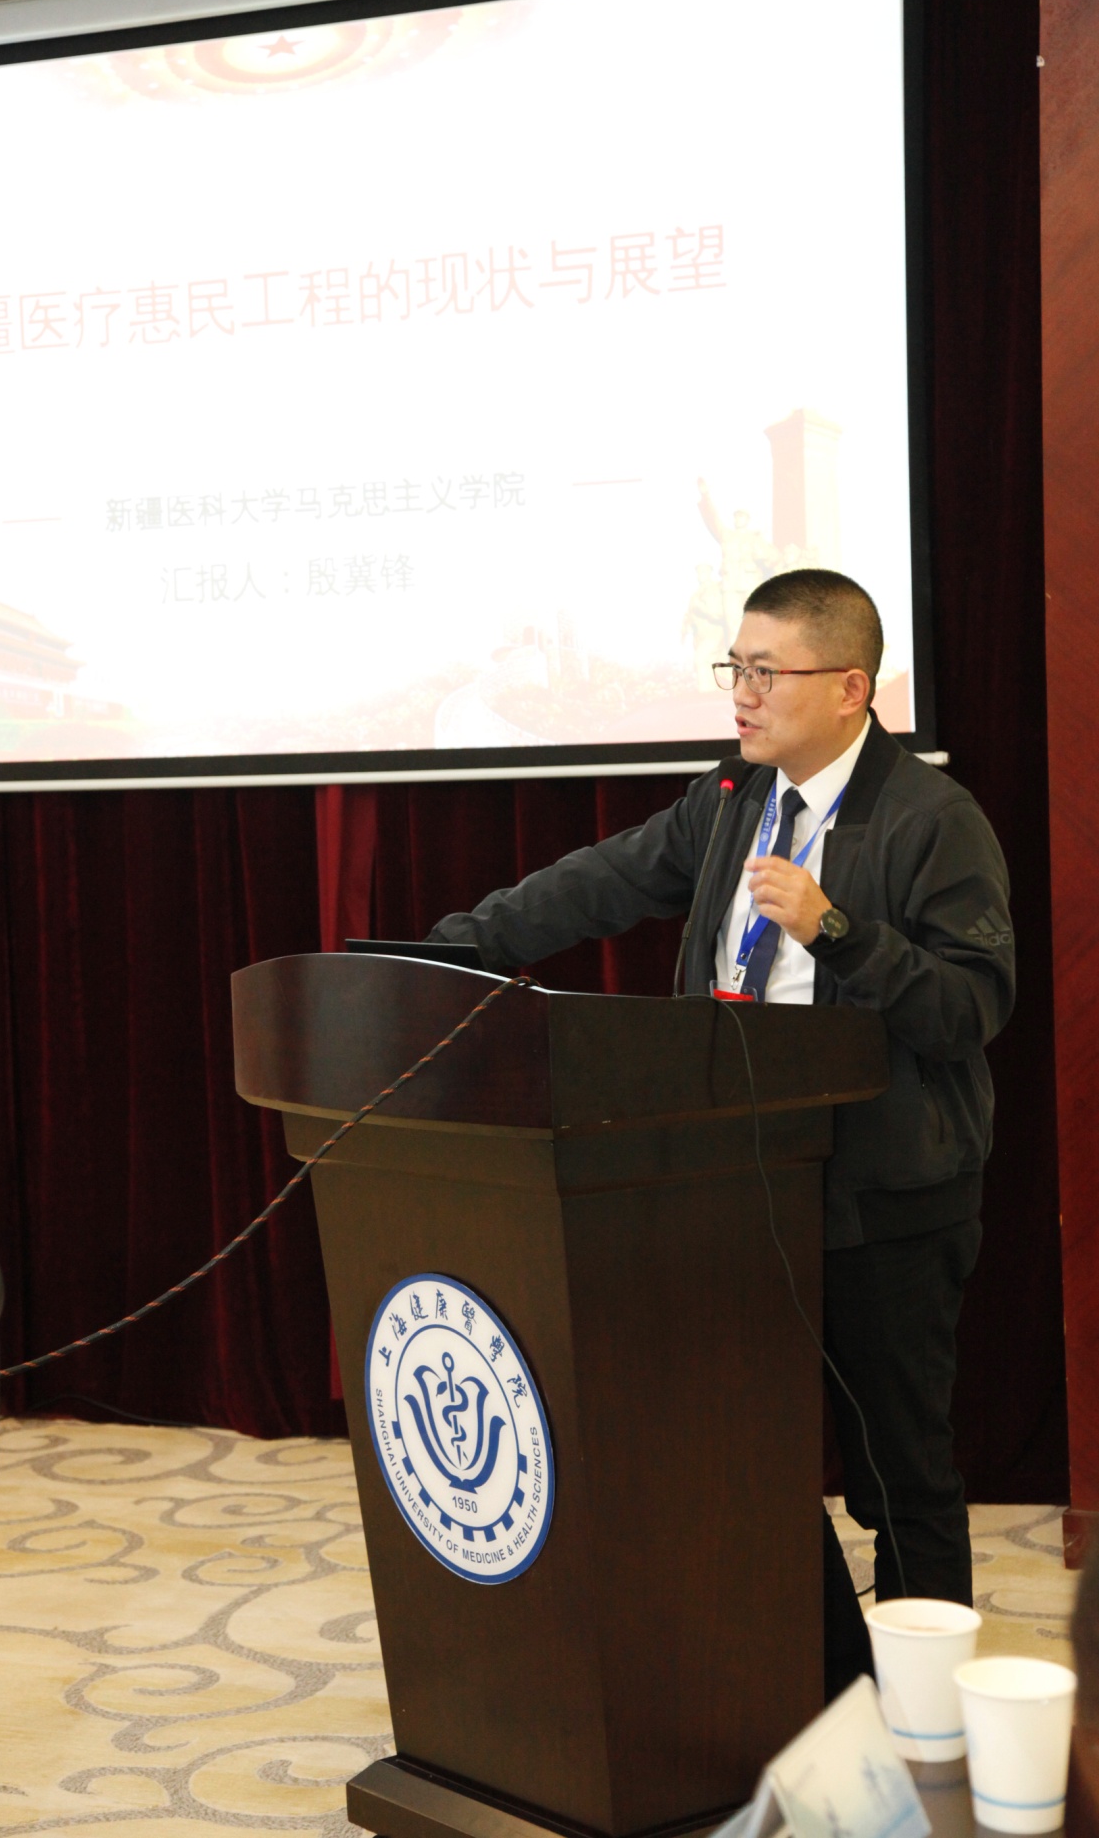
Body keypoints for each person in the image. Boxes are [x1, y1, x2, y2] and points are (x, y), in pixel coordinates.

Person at [427, 568, 1014, 1699]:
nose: (740, 694)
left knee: (899, 1478)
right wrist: (449, 949)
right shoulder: (732, 798)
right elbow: (594, 885)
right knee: (744, 1452)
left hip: (884, 1200)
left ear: (849, 688)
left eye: (764, 672)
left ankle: (925, 1722)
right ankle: (826, 1682)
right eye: (732, 668)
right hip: (733, 1184)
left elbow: (970, 1007)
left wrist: (836, 930)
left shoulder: (931, 818)